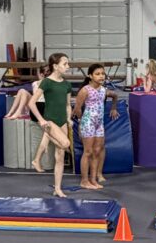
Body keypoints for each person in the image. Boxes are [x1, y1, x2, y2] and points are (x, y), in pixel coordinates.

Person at [33, 52, 73, 197]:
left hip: (62, 121)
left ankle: (57, 188)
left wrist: (68, 118)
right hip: (50, 121)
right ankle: (37, 159)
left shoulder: (67, 85)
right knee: (66, 144)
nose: (68, 67)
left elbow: (68, 104)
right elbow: (31, 103)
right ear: (55, 66)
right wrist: (42, 120)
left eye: (68, 64)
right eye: (65, 64)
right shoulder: (47, 82)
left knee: (60, 157)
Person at [74, 62, 113, 190]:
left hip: (99, 124)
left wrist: (114, 108)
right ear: (90, 76)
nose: (101, 76)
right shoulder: (85, 90)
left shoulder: (103, 90)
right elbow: (77, 109)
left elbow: (115, 96)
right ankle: (84, 181)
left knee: (97, 152)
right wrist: (81, 122)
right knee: (88, 152)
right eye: (97, 74)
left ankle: (93, 179)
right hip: (88, 122)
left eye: (103, 74)